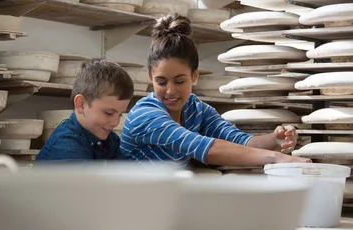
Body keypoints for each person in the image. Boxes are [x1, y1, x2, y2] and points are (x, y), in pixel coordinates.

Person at [121, 14, 311, 166]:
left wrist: (274, 141)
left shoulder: (195, 110)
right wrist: (276, 158)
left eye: (179, 81)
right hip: (128, 203)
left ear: (195, 76)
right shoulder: (146, 115)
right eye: (161, 82)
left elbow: (239, 141)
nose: (170, 91)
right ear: (150, 77)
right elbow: (204, 148)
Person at [36, 59, 133, 162]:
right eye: (109, 113)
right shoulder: (66, 145)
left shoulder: (110, 140)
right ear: (81, 104)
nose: (115, 123)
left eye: (120, 115)